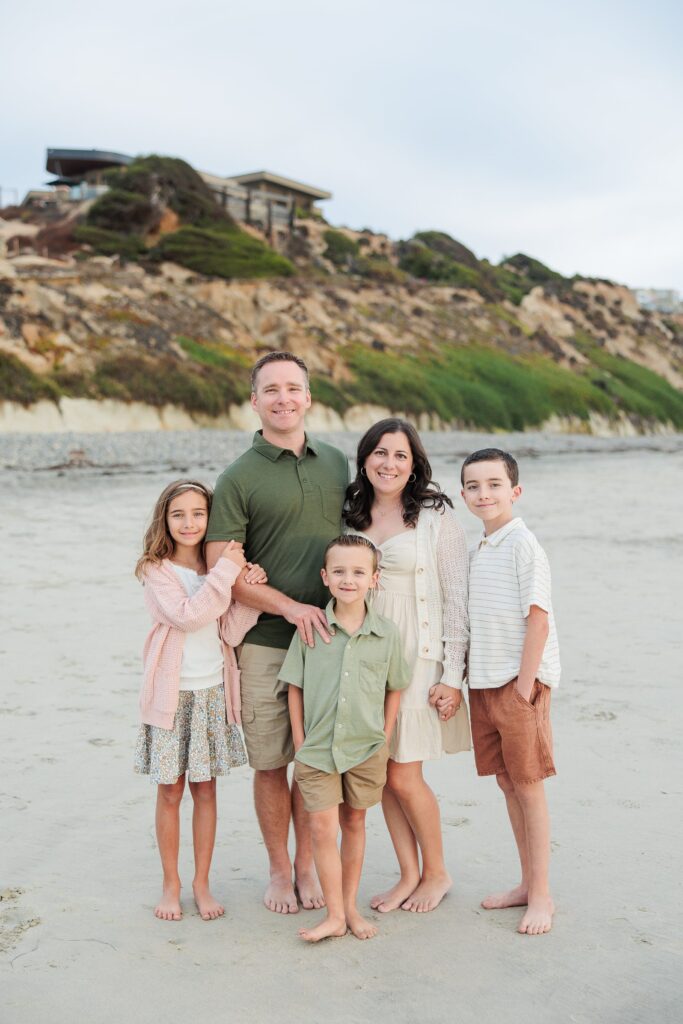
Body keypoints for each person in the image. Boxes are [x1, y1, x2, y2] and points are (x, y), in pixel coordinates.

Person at [205, 352, 350, 915]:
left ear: (308, 397)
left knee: (314, 761)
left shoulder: (336, 462)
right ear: (254, 401)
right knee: (270, 763)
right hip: (264, 643)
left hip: (328, 641)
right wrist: (287, 606)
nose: (283, 398)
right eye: (271, 390)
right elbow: (221, 566)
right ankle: (278, 870)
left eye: (293, 388)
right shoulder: (237, 477)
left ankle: (307, 865)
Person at [344, 418, 470, 913]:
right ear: (364, 459)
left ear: (414, 463)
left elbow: (456, 599)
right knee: (381, 771)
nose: (389, 463)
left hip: (418, 657)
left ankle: (437, 873)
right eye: (380, 452)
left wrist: (452, 676)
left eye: (400, 455)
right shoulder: (351, 513)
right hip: (365, 656)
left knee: (404, 774)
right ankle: (408, 874)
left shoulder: (436, 516)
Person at [134, 479, 267, 922]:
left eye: (198, 513)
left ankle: (202, 883)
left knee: (206, 790)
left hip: (211, 693)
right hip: (171, 699)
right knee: (171, 790)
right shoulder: (157, 570)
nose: (189, 523)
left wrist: (250, 593)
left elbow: (228, 630)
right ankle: (171, 884)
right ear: (165, 520)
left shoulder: (216, 572)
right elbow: (189, 616)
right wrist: (228, 572)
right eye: (178, 514)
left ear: (212, 518)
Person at [281, 535, 409, 942]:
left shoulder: (386, 634)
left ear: (374, 579)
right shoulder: (311, 630)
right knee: (322, 828)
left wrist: (384, 735)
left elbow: (395, 687)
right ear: (325, 577)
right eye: (339, 571)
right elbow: (295, 687)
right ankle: (334, 915)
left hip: (366, 748)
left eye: (358, 572)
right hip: (317, 749)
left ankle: (349, 907)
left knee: (354, 822)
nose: (348, 579)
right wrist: (300, 741)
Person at [460, 448, 560, 936]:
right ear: (463, 495)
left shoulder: (523, 544)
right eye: (473, 486)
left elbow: (537, 620)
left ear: (515, 491)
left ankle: (541, 894)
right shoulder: (479, 548)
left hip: (519, 685)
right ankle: (525, 883)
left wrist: (523, 690)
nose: (484, 493)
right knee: (507, 783)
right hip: (484, 684)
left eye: (494, 484)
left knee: (529, 786)